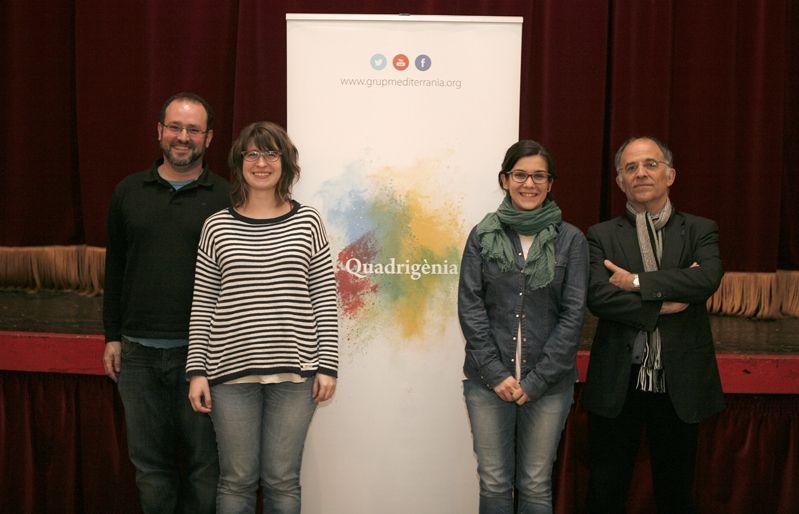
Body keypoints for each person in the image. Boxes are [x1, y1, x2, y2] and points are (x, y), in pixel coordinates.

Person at [186, 121, 339, 514]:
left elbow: (323, 296)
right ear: (239, 163)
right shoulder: (216, 226)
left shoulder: (309, 222)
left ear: (285, 163)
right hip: (229, 376)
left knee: (282, 480)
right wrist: (196, 371)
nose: (261, 162)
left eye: (271, 153)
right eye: (252, 154)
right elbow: (203, 302)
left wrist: (328, 366)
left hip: (296, 375)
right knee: (236, 481)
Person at [101, 92, 229, 513]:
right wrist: (112, 336)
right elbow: (115, 269)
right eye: (175, 127)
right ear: (159, 131)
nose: (182, 137)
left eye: (193, 129)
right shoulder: (128, 192)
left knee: (203, 469)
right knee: (151, 469)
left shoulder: (227, 199)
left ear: (208, 138)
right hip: (136, 356)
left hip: (203, 358)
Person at [583, 136, 724, 514]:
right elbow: (599, 298)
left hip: (680, 382)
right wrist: (667, 301)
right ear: (619, 182)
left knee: (676, 495)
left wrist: (636, 283)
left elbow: (706, 280)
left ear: (671, 174)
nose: (641, 173)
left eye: (650, 164)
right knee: (605, 492)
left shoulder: (700, 230)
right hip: (618, 382)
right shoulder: (601, 235)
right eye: (630, 167)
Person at [458, 140, 588, 514]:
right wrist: (497, 374)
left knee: (534, 483)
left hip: (548, 385)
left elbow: (573, 313)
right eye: (520, 175)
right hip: (488, 384)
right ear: (504, 179)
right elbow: (470, 307)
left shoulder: (571, 240)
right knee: (495, 482)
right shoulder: (482, 236)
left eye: (538, 176)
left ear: (550, 184)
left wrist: (535, 381)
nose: (528, 183)